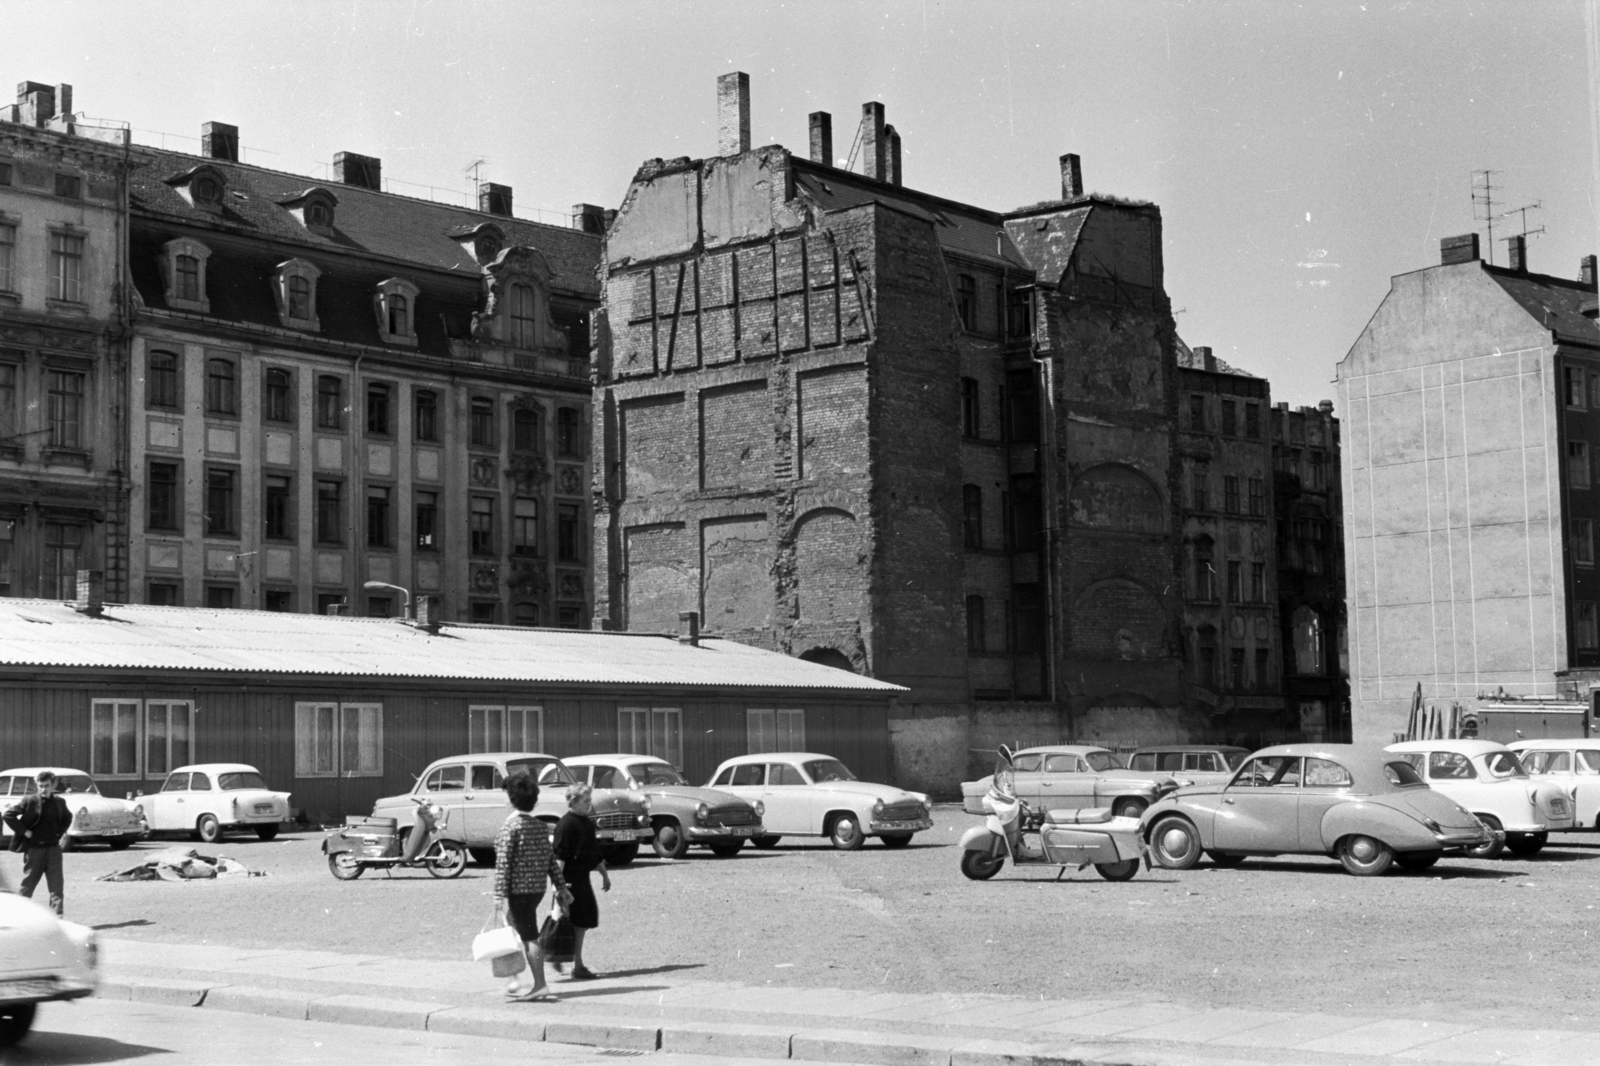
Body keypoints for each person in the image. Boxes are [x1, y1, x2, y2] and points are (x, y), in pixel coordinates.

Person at [492, 771, 570, 1003]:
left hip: (519, 892)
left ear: (510, 799)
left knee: (528, 935)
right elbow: (550, 860)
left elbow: (503, 863)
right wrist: (561, 887)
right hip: (537, 889)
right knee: (515, 928)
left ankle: (539, 985)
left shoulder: (511, 828)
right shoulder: (540, 826)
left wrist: (498, 894)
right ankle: (514, 977)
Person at [552, 782, 611, 980]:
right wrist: (558, 888)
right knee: (565, 922)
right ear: (574, 801)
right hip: (568, 882)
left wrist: (604, 874)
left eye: (589, 799)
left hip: (582, 880)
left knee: (582, 922)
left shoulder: (586, 822)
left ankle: (565, 959)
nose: (589, 803)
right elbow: (560, 857)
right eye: (585, 800)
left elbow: (593, 852)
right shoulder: (566, 824)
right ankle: (570, 962)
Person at [4, 771, 71, 915]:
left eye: (46, 786)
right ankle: (18, 919)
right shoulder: (30, 801)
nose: (43, 789)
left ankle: (57, 919)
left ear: (53, 785)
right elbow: (8, 815)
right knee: (27, 886)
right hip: (34, 850)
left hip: (53, 850)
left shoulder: (59, 802)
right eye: (40, 786)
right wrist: (25, 831)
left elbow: (68, 817)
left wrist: (59, 833)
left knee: (56, 888)